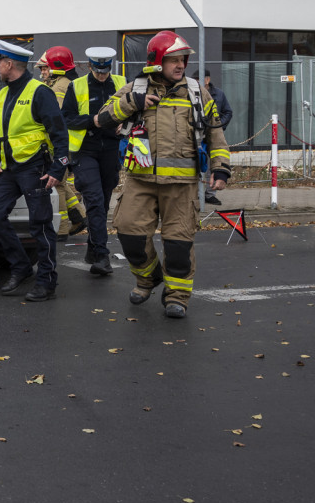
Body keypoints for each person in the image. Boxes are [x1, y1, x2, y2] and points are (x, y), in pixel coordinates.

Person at [94, 31, 231, 318]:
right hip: (140, 181)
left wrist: (220, 167)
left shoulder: (196, 92)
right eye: (173, 60)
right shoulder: (136, 88)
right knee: (129, 232)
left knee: (178, 244)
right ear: (157, 61)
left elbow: (215, 132)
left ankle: (177, 296)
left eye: (183, 59)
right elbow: (101, 119)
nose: (180, 64)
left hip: (181, 186)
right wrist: (133, 102)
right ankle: (148, 278)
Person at [0, 40, 70, 302]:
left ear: (10, 64)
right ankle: (21, 267)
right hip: (9, 170)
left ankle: (46, 283)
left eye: (0, 63)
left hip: (35, 168)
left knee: (41, 226)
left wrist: (58, 168)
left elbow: (59, 132)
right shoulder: (2, 94)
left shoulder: (39, 92)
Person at [62, 47, 127, 275]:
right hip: (84, 150)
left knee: (103, 200)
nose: (102, 75)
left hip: (110, 149)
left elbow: (134, 110)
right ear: (89, 66)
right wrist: (94, 121)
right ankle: (102, 255)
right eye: (98, 71)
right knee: (95, 199)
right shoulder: (77, 86)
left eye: (105, 70)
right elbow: (67, 118)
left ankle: (92, 247)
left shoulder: (120, 82)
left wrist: (125, 124)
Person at [39, 46, 87, 242]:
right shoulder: (63, 83)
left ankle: (61, 230)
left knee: (56, 184)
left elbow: (55, 118)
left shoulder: (59, 87)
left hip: (57, 144)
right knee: (62, 182)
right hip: (63, 144)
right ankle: (80, 216)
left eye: (44, 68)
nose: (42, 72)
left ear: (56, 68)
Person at [193, 69, 233, 205]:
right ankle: (196, 194)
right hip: (197, 136)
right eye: (195, 80)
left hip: (212, 136)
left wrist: (218, 126)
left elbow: (228, 112)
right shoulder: (192, 94)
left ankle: (210, 194)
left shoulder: (219, 94)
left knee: (214, 164)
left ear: (207, 80)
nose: (196, 82)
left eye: (199, 79)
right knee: (198, 163)